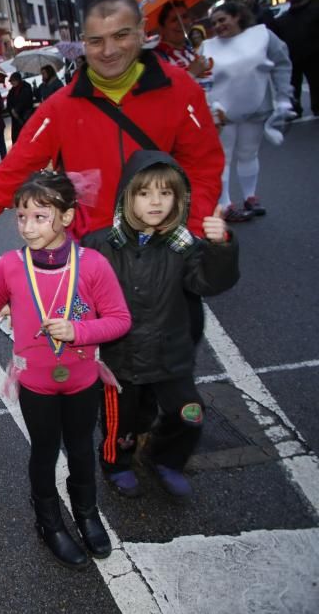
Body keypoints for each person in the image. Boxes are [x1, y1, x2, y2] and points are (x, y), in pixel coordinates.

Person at [0, 0, 223, 261]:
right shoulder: (60, 107)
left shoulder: (180, 89)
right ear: (84, 43)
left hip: (167, 247)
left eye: (121, 35)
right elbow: (9, 175)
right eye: (97, 41)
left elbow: (204, 166)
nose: (109, 50)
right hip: (94, 259)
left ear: (141, 31)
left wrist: (191, 231)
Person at [0, 172, 131, 569]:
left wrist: (78, 330)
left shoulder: (92, 264)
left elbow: (119, 319)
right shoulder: (11, 267)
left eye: (40, 217)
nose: (27, 227)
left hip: (82, 379)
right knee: (44, 452)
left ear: (65, 217)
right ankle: (48, 522)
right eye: (21, 217)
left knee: (81, 449)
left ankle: (86, 512)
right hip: (36, 383)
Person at [82, 152, 239, 498]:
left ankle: (166, 457)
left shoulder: (184, 245)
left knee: (189, 415)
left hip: (170, 357)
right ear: (128, 195)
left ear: (178, 198)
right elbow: (76, 293)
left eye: (165, 193)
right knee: (119, 424)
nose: (156, 202)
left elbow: (209, 283)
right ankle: (116, 464)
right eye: (145, 193)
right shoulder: (99, 245)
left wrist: (220, 248)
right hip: (119, 358)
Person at [202, 1, 294, 222]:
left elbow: (282, 64)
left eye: (222, 19)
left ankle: (250, 197)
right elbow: (200, 79)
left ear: (237, 17)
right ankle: (225, 204)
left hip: (256, 107)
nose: (218, 26)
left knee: (248, 153)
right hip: (222, 113)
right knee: (223, 158)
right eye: (214, 23)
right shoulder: (207, 46)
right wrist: (207, 105)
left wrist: (283, 97)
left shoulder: (263, 36)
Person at [274, 0, 319, 118]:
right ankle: (313, 106)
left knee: (295, 84)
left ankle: (295, 108)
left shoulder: (284, 19)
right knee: (313, 82)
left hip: (294, 56)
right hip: (309, 55)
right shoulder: (314, 12)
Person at [154, 0, 212, 79]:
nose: (182, 22)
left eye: (184, 17)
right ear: (162, 28)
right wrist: (192, 73)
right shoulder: (157, 58)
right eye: (174, 19)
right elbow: (166, 90)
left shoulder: (190, 50)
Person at [5, 72, 35, 144]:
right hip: (15, 120)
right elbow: (9, 103)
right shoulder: (12, 91)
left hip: (25, 117)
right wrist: (12, 111)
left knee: (28, 138)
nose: (12, 83)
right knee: (17, 140)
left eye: (13, 81)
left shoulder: (26, 87)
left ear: (18, 80)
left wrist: (16, 110)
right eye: (11, 81)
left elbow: (25, 100)